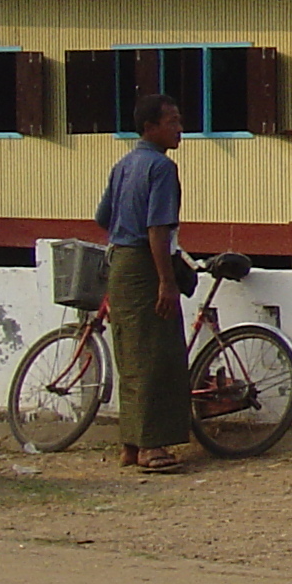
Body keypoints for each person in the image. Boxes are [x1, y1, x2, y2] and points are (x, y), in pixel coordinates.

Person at [96, 92, 193, 473]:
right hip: (146, 263)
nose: (179, 129)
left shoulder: (123, 165)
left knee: (131, 357)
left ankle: (131, 443)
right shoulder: (161, 169)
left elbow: (104, 216)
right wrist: (166, 282)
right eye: (172, 122)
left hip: (120, 263)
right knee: (157, 356)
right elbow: (157, 229)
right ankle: (153, 445)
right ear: (150, 127)